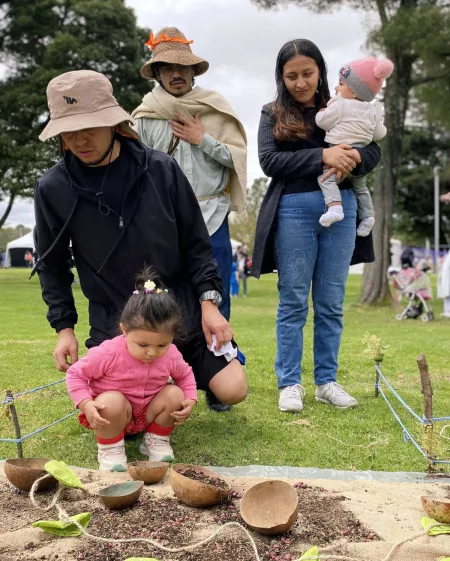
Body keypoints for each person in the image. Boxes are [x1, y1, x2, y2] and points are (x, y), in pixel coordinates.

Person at [33, 70, 247, 421]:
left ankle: (175, 380)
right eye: (68, 131)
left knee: (233, 388)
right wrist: (64, 329)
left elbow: (197, 244)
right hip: (115, 320)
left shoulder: (161, 169)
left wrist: (210, 304)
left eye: (90, 126)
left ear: (114, 123)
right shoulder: (53, 188)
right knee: (114, 409)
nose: (80, 139)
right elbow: (52, 265)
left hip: (180, 311)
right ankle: (155, 392)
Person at [252, 39, 381, 413]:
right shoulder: (271, 112)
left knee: (330, 303)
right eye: (291, 76)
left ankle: (327, 381)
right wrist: (323, 155)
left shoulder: (342, 103)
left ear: (320, 71)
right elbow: (269, 161)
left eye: (307, 73)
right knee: (293, 302)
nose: (301, 82)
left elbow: (373, 147)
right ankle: (289, 383)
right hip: (293, 211)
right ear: (282, 77)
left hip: (343, 212)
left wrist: (355, 155)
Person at [132, 27, 247, 325]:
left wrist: (202, 138)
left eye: (182, 67)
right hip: (163, 220)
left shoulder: (214, 109)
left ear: (193, 70)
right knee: (163, 296)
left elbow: (236, 158)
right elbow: (135, 171)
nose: (176, 73)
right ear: (158, 74)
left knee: (216, 294)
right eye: (167, 68)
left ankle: (220, 359)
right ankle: (167, 365)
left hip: (212, 215)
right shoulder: (144, 117)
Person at [66, 269, 197, 471]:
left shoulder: (171, 354)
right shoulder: (108, 353)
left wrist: (190, 398)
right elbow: (75, 374)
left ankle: (156, 440)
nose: (152, 352)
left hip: (148, 414)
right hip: (114, 416)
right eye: (143, 345)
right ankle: (110, 449)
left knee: (175, 393)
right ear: (124, 330)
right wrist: (85, 404)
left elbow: (185, 375)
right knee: (111, 401)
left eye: (161, 345)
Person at [315, 57, 394, 236]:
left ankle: (335, 208)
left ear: (354, 91)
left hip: (339, 154)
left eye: (341, 84)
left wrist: (321, 112)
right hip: (359, 161)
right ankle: (367, 216)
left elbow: (322, 123)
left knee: (325, 179)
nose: (336, 87)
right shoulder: (372, 111)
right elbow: (379, 135)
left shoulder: (340, 105)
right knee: (361, 188)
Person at [438, 250, 450, 318]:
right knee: (446, 294)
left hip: (447, 277)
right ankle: (447, 310)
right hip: (446, 277)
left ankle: (448, 310)